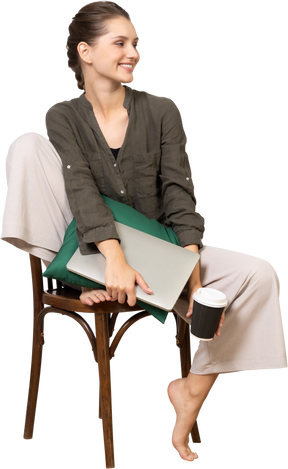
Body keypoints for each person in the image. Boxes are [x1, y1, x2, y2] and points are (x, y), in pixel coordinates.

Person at [1, 1, 287, 464]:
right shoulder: (61, 115)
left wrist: (192, 280)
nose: (134, 52)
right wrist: (112, 263)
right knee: (24, 143)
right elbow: (80, 192)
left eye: (137, 43)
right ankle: (76, 278)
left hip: (165, 251)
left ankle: (189, 394)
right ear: (86, 53)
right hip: (96, 252)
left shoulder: (162, 109)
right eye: (121, 43)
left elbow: (180, 196)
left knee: (260, 273)